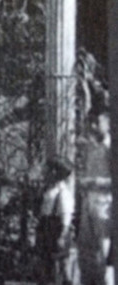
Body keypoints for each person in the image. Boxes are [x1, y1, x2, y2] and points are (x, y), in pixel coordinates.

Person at [77, 109, 112, 285]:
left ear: (108, 123)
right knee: (85, 252)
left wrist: (96, 181)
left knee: (104, 250)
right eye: (90, 122)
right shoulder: (90, 148)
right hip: (88, 201)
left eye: (97, 122)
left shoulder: (111, 148)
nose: (92, 126)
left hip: (105, 203)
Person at [36, 156, 75, 285]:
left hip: (56, 229)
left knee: (60, 264)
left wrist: (62, 236)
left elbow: (66, 217)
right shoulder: (48, 189)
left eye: (47, 169)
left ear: (54, 172)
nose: (44, 172)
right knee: (44, 262)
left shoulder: (63, 192)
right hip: (45, 227)